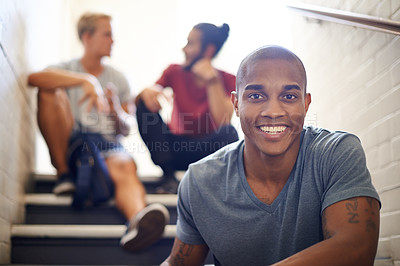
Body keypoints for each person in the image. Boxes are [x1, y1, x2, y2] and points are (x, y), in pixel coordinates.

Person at [161, 45, 381, 266]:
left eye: (288, 96)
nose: (273, 112)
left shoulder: (336, 153)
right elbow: (178, 263)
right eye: (256, 96)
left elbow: (356, 249)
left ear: (305, 104)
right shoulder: (200, 180)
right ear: (236, 104)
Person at [28, 12, 169, 251]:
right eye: (107, 35)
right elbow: (35, 78)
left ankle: (138, 222)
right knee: (50, 90)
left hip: (107, 145)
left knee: (125, 164)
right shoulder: (67, 68)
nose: (113, 41)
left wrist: (115, 109)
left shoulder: (119, 79)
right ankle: (63, 174)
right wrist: (86, 81)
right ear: (87, 37)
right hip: (70, 143)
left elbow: (124, 130)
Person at [135, 23, 239, 194]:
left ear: (208, 50)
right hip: (176, 150)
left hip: (209, 154)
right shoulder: (174, 71)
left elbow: (224, 119)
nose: (184, 49)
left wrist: (212, 81)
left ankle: (217, 185)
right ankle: (169, 178)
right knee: (142, 103)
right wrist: (148, 92)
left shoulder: (227, 79)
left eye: (190, 44)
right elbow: (153, 93)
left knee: (229, 132)